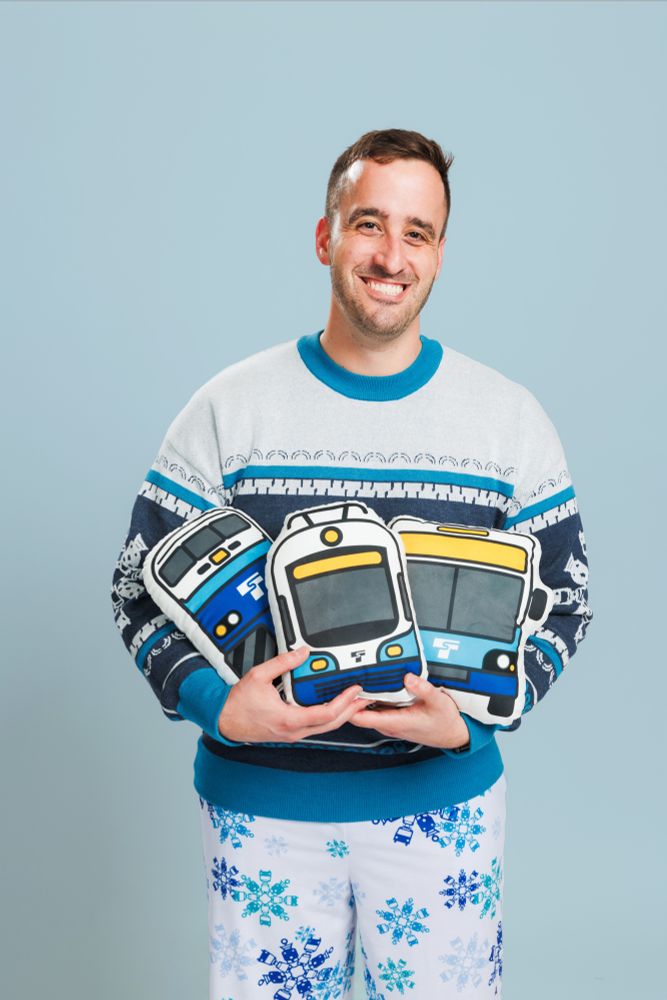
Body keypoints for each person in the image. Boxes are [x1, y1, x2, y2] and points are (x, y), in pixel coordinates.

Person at [112, 128, 592, 998]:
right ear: (324, 236)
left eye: (417, 232)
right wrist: (220, 706)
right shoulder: (228, 409)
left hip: (442, 808)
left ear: (439, 254)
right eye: (369, 223)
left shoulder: (507, 421)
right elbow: (134, 591)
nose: (391, 256)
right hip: (262, 812)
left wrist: (472, 724)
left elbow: (566, 601)